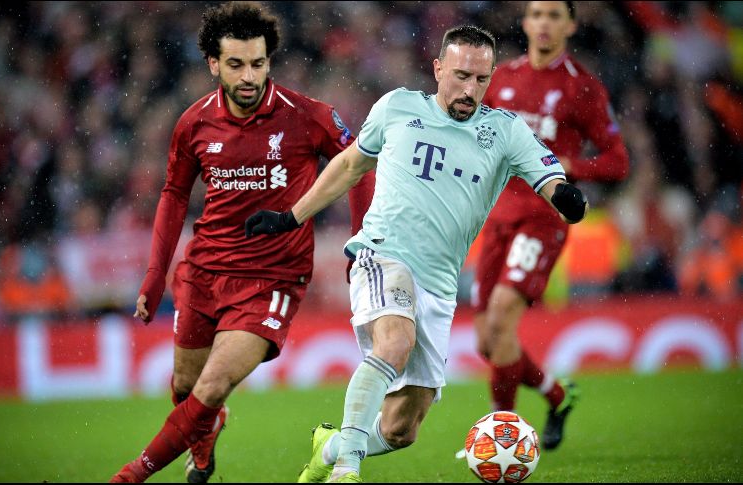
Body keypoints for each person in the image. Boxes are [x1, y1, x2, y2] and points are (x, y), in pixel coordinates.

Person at [245, 25, 588, 483]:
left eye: (481, 80)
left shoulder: (504, 131)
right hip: (382, 253)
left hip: (440, 285)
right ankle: (346, 471)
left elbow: (550, 178)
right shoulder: (397, 107)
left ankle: (330, 446)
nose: (470, 90)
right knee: (395, 344)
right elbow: (349, 165)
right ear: (439, 68)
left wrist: (565, 197)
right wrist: (291, 216)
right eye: (462, 76)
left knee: (401, 428)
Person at [110, 2, 374, 483]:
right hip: (205, 272)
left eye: (257, 63)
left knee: (211, 385)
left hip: (272, 278)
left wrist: (362, 239)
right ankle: (206, 439)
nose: (248, 75)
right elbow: (173, 196)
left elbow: (359, 166)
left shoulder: (308, 116)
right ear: (214, 64)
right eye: (236, 65)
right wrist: (154, 274)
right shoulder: (193, 123)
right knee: (186, 387)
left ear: (269, 59)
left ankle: (129, 476)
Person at [468, 0, 629, 454]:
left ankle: (503, 437)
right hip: (495, 217)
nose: (544, 23)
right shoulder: (502, 80)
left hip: (543, 219)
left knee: (501, 318)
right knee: (486, 340)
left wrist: (566, 166)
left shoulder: (582, 88)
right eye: (537, 13)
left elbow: (618, 161)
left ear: (571, 25)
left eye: (554, 15)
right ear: (524, 22)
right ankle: (558, 396)